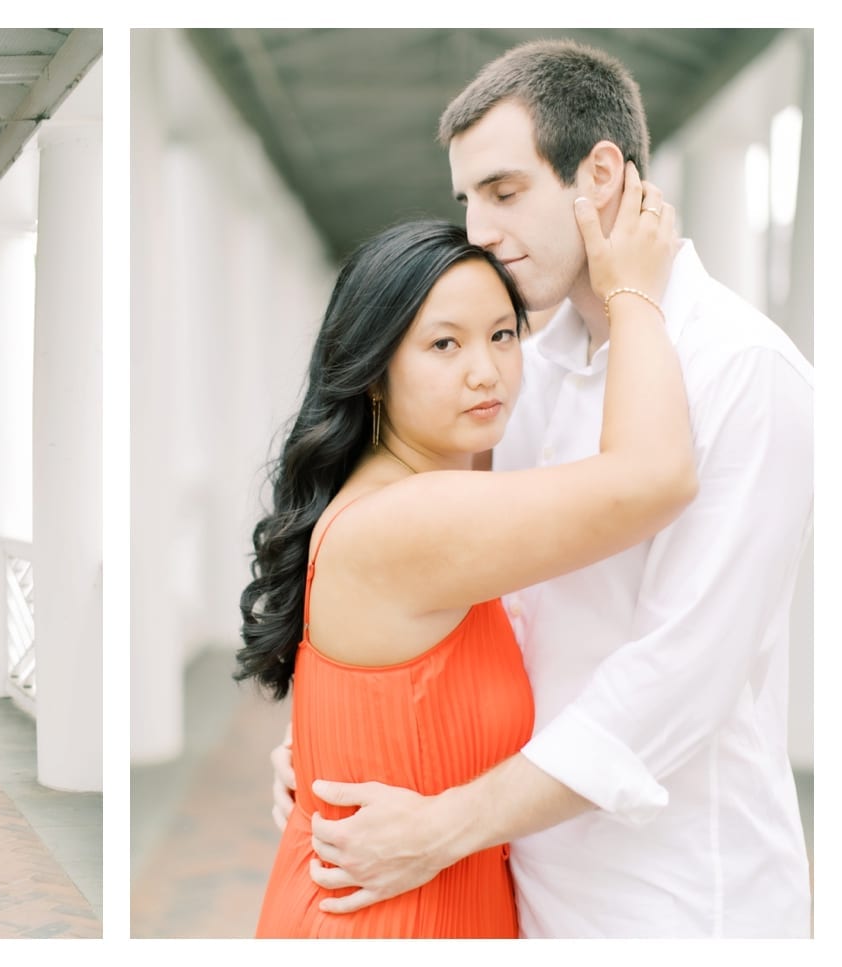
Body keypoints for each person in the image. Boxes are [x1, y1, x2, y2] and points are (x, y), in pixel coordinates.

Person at [269, 39, 815, 937]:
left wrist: (443, 827)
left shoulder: (746, 372)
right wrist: (334, 735)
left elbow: (677, 678)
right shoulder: (523, 365)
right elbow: (470, 593)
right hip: (508, 872)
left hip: (670, 898)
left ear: (599, 174)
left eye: (504, 191)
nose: (479, 229)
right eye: (468, 199)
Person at [240, 154, 691, 935]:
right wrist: (633, 294)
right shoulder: (413, 520)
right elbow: (653, 478)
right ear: (375, 373)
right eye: (444, 346)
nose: (488, 372)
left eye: (503, 335)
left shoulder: (396, 501)